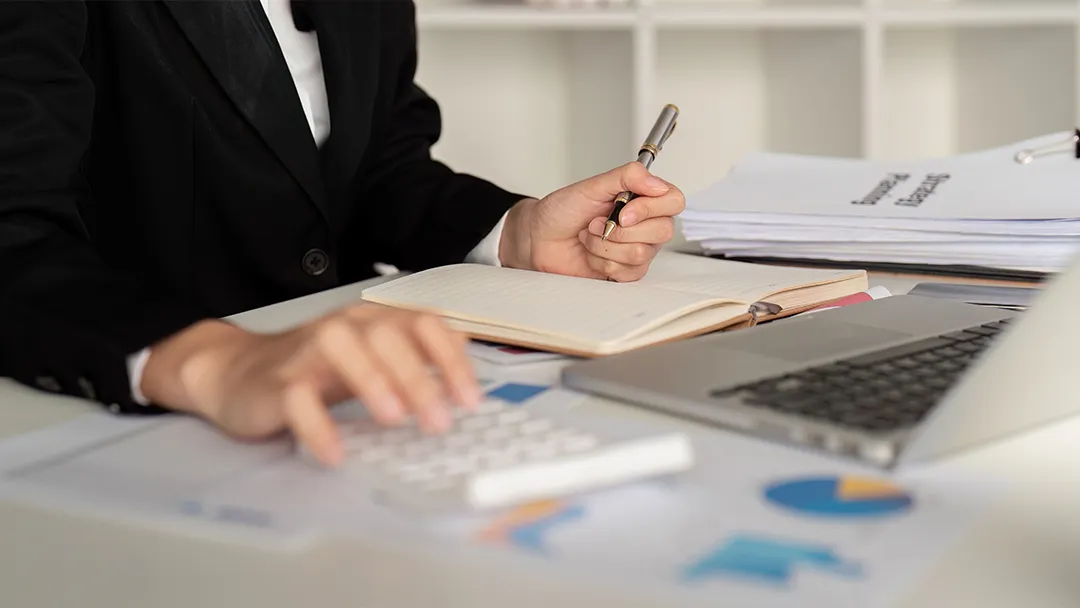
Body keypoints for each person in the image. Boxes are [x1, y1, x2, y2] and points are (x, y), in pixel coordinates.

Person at [0, 0, 684, 466]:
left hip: (358, 407)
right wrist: (216, 362)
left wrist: (515, 231)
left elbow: (377, 166)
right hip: (126, 411)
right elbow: (14, 233)